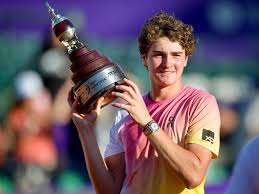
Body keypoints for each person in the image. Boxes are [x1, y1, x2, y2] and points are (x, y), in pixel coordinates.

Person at [68, 11, 220, 194]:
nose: (167, 63)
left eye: (176, 55)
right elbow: (108, 191)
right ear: (144, 58)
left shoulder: (200, 103)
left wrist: (147, 122)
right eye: (158, 54)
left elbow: (193, 175)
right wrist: (86, 130)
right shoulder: (125, 111)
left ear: (186, 59)